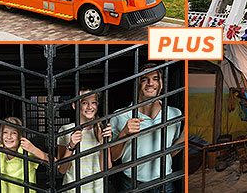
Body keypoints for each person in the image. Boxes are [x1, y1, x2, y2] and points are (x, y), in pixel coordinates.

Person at [110, 63, 183, 192]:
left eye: (155, 79)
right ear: (137, 84)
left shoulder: (174, 114)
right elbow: (113, 157)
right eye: (144, 79)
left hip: (164, 183)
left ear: (161, 85)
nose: (150, 83)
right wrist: (124, 133)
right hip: (131, 184)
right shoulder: (120, 115)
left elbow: (171, 151)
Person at [0, 115, 47, 193]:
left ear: (20, 136)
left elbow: (54, 162)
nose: (9, 137)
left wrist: (35, 150)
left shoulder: (26, 152)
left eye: (14, 133)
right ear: (1, 135)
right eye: (5, 132)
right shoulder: (0, 150)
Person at [57, 88, 113, 193]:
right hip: (72, 189)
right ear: (74, 105)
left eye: (94, 103)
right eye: (84, 103)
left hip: (96, 189)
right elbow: (62, 170)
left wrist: (103, 144)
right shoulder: (65, 130)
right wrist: (71, 146)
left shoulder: (102, 129)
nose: (90, 107)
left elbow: (106, 168)